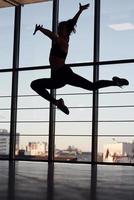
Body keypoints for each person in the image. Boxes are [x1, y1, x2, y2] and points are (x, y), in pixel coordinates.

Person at [31, 3, 129, 115]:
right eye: (58, 28)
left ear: (66, 32)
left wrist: (41, 29)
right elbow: (71, 23)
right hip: (56, 78)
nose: (58, 30)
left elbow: (53, 35)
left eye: (61, 29)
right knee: (35, 85)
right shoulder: (59, 40)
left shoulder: (63, 42)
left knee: (91, 86)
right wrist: (80, 11)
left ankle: (115, 82)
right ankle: (58, 102)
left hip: (64, 73)